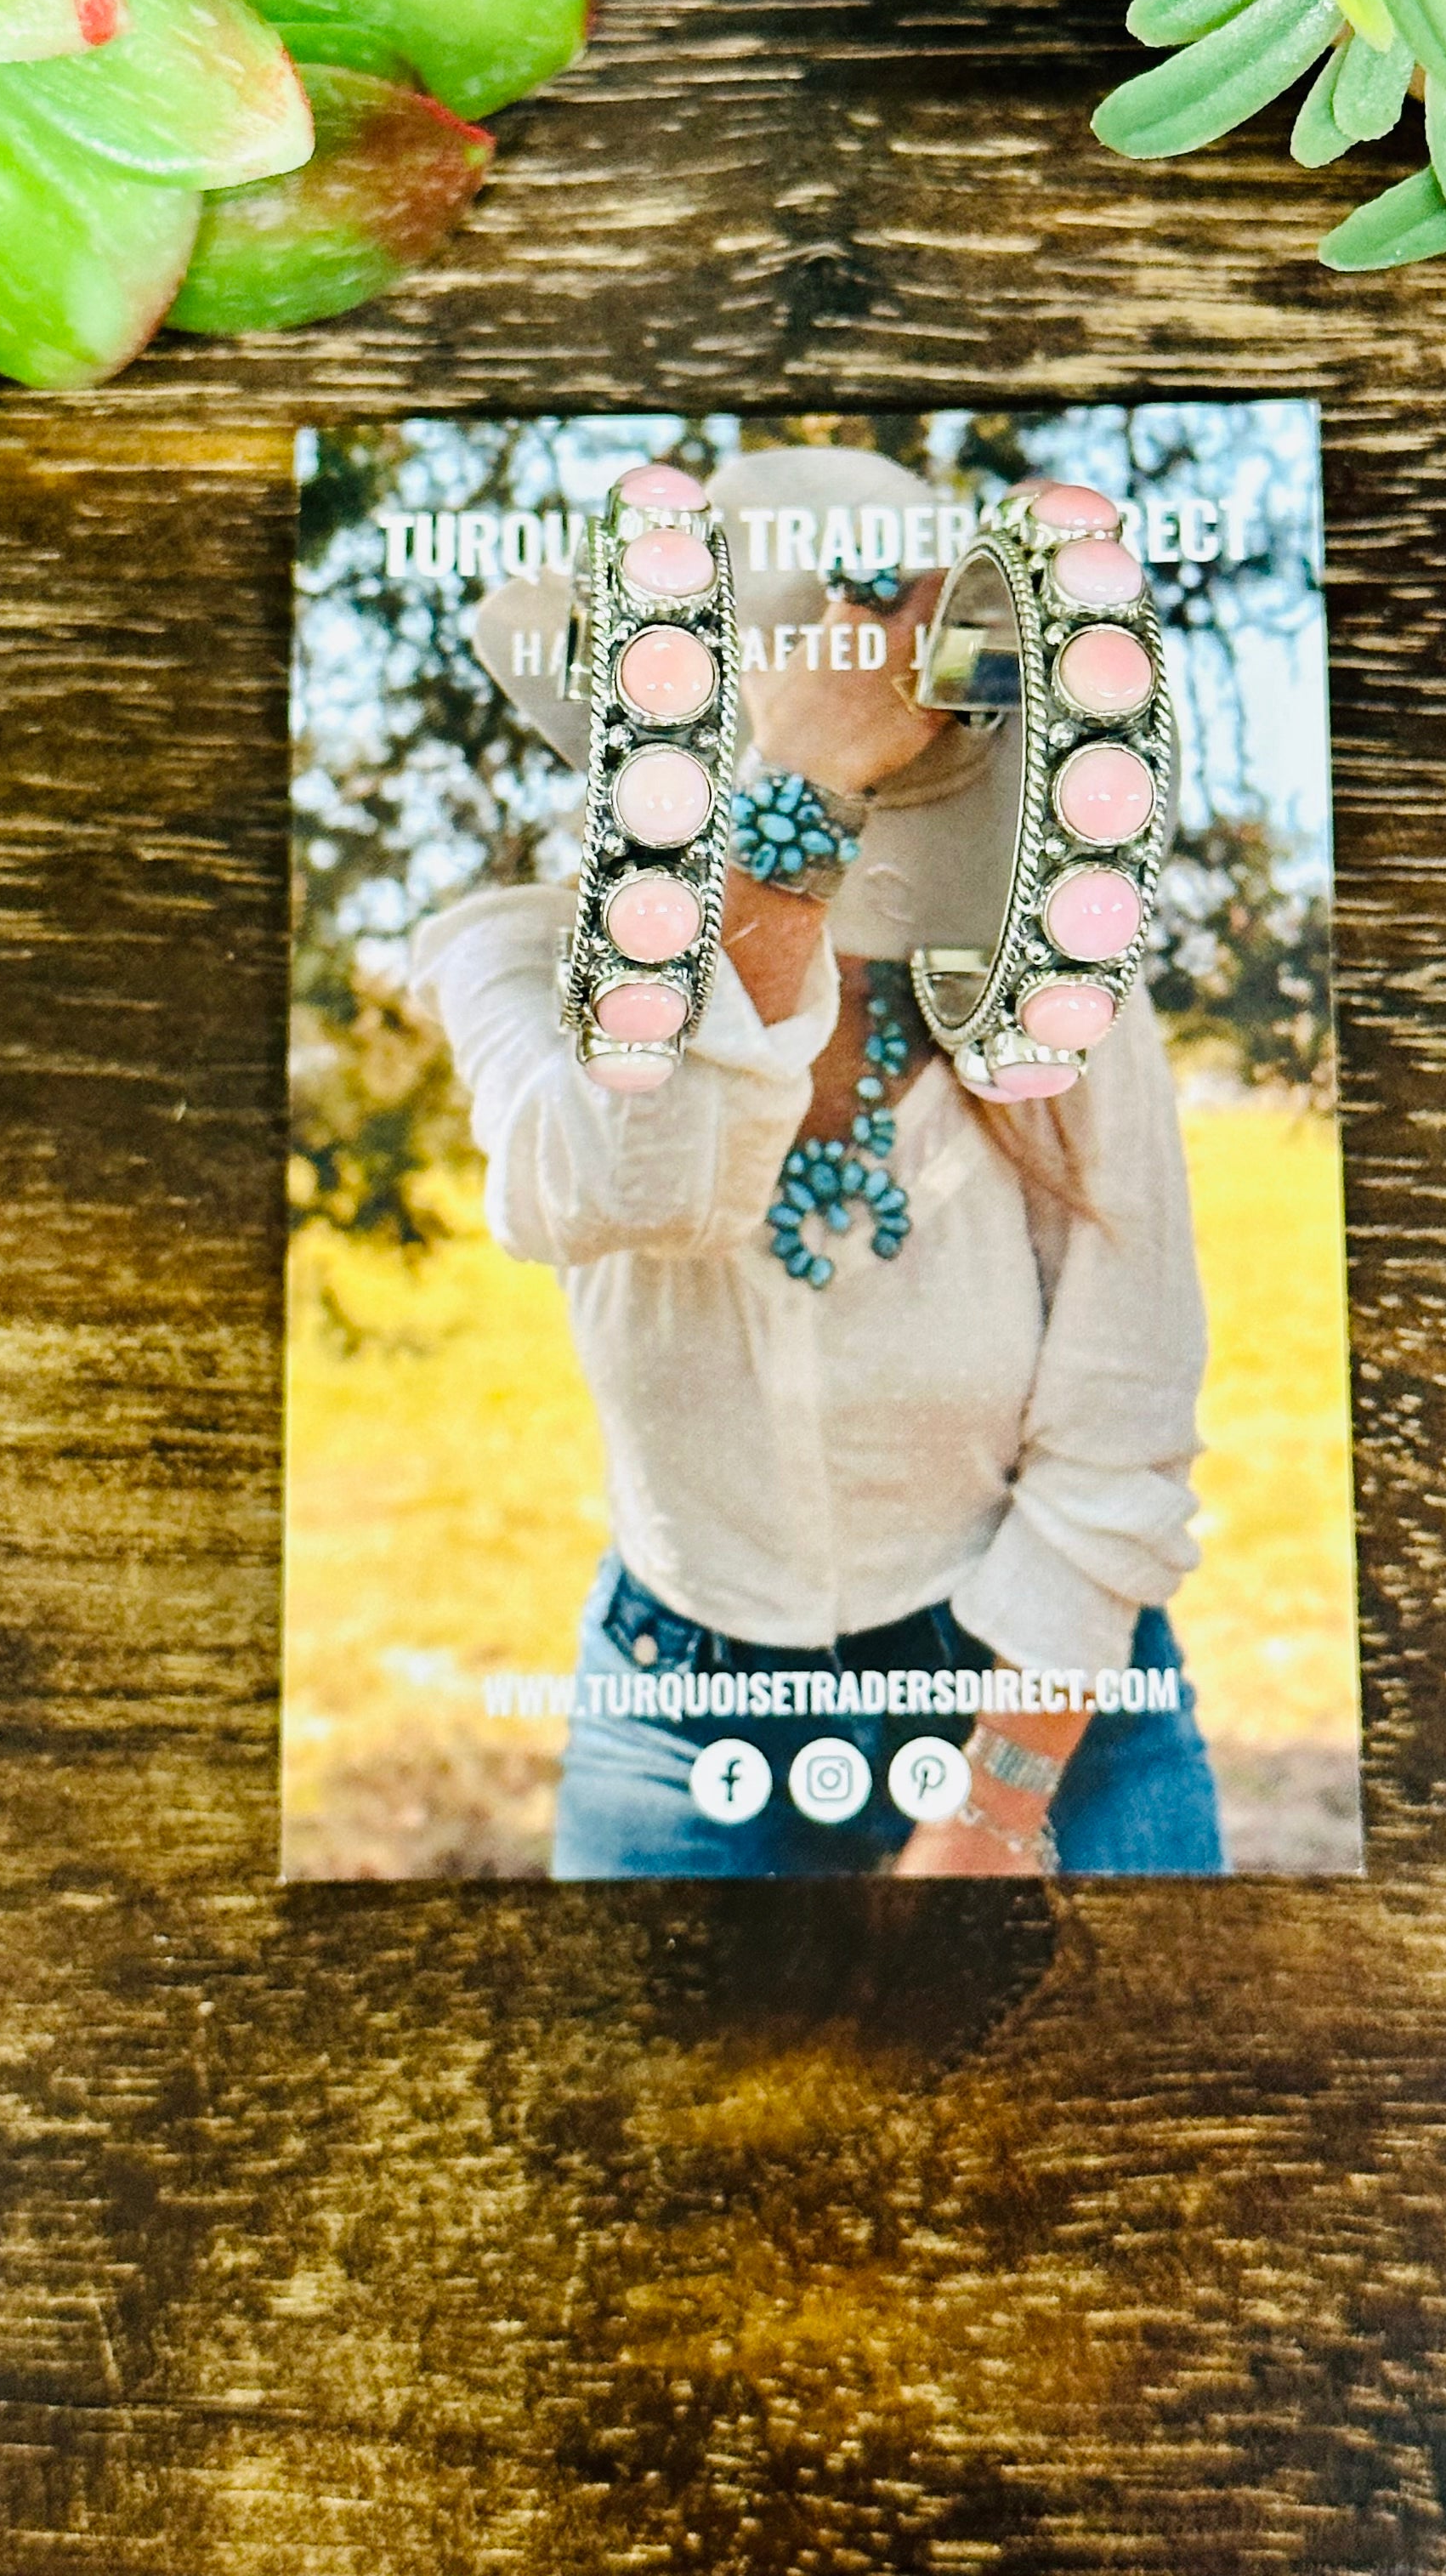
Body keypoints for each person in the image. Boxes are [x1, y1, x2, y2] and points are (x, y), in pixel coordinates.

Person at [407, 450, 1221, 1877]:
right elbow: (633, 1182)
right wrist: (789, 799)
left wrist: (987, 1818)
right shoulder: (517, 959)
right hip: (680, 1726)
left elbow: (1122, 1428)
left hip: (1039, 1701)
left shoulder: (1058, 1006)